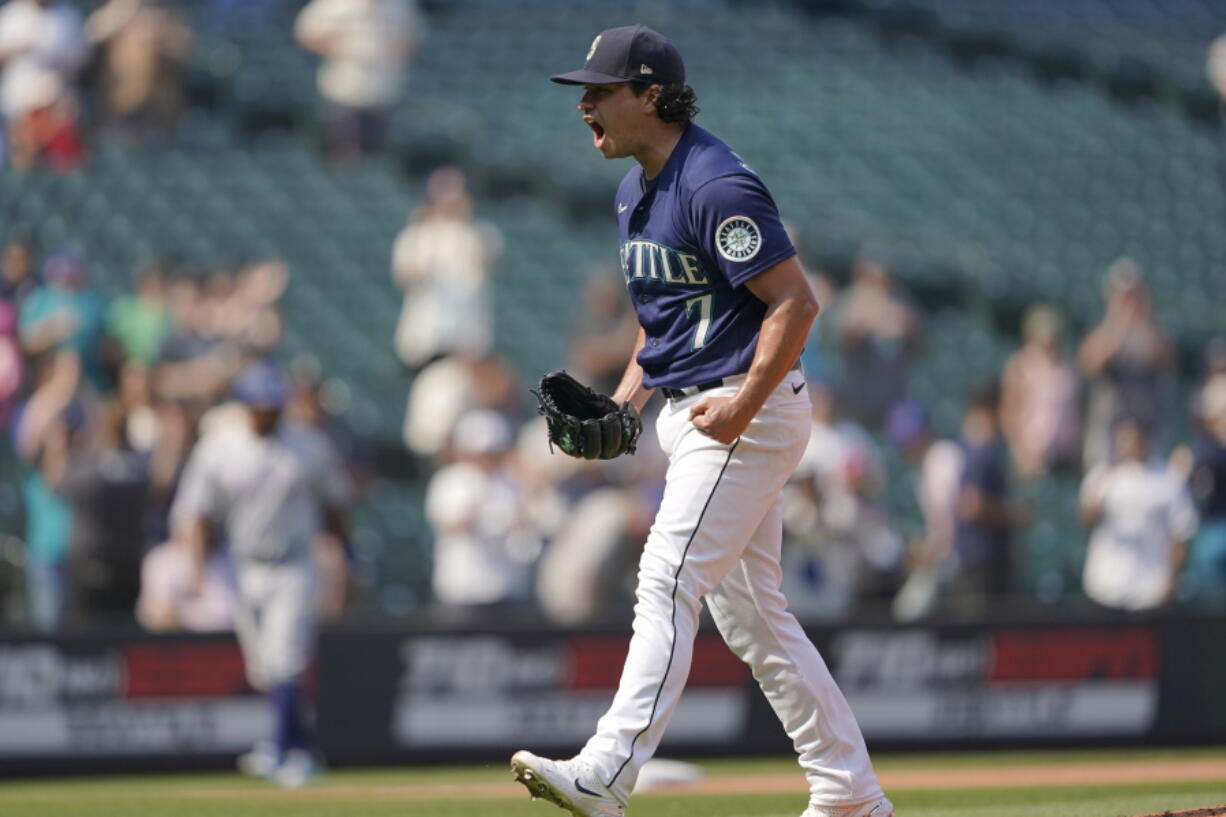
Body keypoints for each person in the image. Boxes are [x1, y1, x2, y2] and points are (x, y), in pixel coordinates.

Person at [510, 26, 891, 817]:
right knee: (755, 618)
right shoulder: (632, 191)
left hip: (741, 408)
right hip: (696, 408)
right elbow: (665, 320)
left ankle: (609, 770)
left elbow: (795, 302)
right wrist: (627, 402)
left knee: (665, 578)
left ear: (652, 95)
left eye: (600, 90)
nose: (583, 105)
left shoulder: (715, 183)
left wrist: (746, 403)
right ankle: (849, 792)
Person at [171, 360, 352, 787]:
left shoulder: (308, 445)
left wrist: (346, 555)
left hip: (293, 563)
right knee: (265, 668)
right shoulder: (219, 447)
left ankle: (283, 748)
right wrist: (195, 566)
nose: (267, 414)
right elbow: (195, 512)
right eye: (259, 406)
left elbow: (336, 504)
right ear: (244, 406)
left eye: (273, 406)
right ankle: (299, 746)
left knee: (286, 658)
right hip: (242, 563)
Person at [1079, 419, 1198, 611]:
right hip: (1105, 585)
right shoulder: (1103, 474)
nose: (1128, 445)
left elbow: (1181, 532)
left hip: (1149, 588)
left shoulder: (1168, 478)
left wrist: (1171, 578)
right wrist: (1103, 485)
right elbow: (1085, 518)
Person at [293, 0, 422, 164]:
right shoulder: (335, 4)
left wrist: (391, 51)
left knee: (380, 158)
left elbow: (414, 38)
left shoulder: (399, 5)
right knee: (344, 154)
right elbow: (304, 35)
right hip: (344, 91)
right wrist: (343, 45)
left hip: (385, 93)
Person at [0, 0, 89, 171]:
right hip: (18, 102)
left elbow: (82, 57)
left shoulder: (68, 16)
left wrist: (61, 58)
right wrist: (14, 50)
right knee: (22, 158)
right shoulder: (11, 15)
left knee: (62, 156)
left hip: (57, 100)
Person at [999, 303, 1080, 480]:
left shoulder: (1066, 366)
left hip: (1065, 455)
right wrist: (1021, 453)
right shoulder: (1021, 365)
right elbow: (1009, 413)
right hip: (1033, 455)